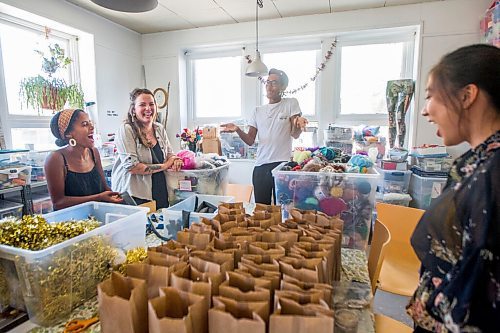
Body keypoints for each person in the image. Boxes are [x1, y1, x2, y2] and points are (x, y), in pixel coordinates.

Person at [407, 44, 500, 333]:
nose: (425, 111)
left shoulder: (492, 173)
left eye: (431, 97)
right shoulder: (478, 162)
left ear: (467, 95)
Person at [221, 68, 308, 204]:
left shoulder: (290, 103)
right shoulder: (257, 111)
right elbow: (250, 140)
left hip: (281, 165)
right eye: (268, 82)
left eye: (274, 82)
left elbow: (295, 134)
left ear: (283, 87)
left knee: (283, 208)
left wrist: (299, 123)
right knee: (261, 210)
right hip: (261, 167)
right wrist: (237, 129)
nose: (270, 86)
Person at [111, 88, 183, 209]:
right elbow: (132, 167)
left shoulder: (159, 128)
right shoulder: (126, 129)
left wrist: (175, 160)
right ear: (134, 110)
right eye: (142, 105)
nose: (148, 108)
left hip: (159, 189)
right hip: (134, 194)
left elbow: (170, 154)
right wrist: (165, 165)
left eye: (151, 104)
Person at [46, 108, 123, 210]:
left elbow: (105, 189)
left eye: (90, 123)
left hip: (98, 217)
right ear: (68, 133)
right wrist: (98, 198)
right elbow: (59, 203)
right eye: (84, 124)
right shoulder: (56, 159)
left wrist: (115, 198)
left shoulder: (93, 152)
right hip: (73, 222)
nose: (92, 127)